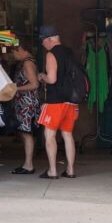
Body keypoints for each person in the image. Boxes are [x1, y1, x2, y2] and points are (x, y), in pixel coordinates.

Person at [37, 25, 78, 179]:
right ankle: (70, 169)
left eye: (42, 40)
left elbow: (52, 79)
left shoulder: (51, 54)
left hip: (55, 101)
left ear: (49, 39)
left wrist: (42, 76)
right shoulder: (70, 52)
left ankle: (53, 171)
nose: (42, 43)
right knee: (68, 135)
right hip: (71, 101)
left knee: (50, 135)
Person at [8, 41, 41, 175]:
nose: (13, 56)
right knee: (25, 133)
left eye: (14, 52)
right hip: (25, 103)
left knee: (27, 134)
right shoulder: (29, 62)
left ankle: (28, 165)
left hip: (27, 104)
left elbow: (34, 84)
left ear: (21, 49)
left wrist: (16, 88)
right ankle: (27, 164)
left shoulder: (27, 63)